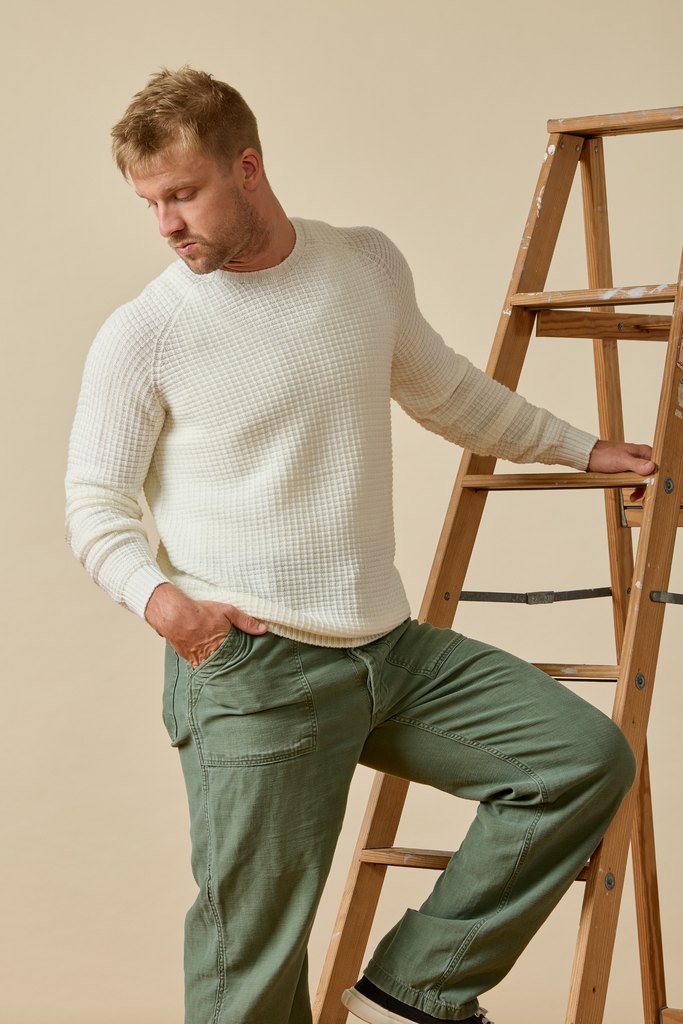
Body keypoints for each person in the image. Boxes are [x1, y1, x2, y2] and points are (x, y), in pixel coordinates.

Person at [65, 67, 654, 1024]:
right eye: (150, 204)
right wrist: (159, 600)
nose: (167, 224)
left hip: (387, 648)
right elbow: (94, 500)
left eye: (182, 194)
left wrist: (581, 447)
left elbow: (449, 392)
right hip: (255, 667)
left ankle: (419, 983)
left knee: (579, 758)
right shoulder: (146, 331)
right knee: (249, 962)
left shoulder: (363, 265)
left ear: (246, 168)